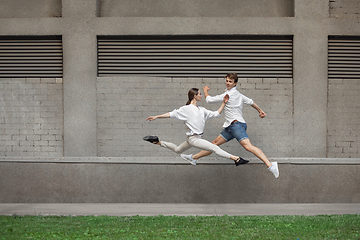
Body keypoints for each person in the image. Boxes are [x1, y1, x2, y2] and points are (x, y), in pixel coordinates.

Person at [180, 73, 280, 178]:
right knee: (214, 144)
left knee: (248, 147)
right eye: (227, 81)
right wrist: (260, 110)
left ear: (235, 83)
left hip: (236, 125)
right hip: (231, 127)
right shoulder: (239, 95)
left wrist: (205, 90)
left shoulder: (229, 95)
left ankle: (270, 165)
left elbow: (209, 100)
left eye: (230, 81)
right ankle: (194, 158)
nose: (228, 83)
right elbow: (251, 102)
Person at [143, 88, 249, 166]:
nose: (201, 96)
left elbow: (216, 114)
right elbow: (171, 114)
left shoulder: (202, 110)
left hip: (192, 139)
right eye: (199, 94)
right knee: (214, 148)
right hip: (194, 138)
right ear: (195, 96)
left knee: (178, 150)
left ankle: (157, 142)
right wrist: (156, 116)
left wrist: (223, 103)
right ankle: (237, 159)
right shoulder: (186, 109)